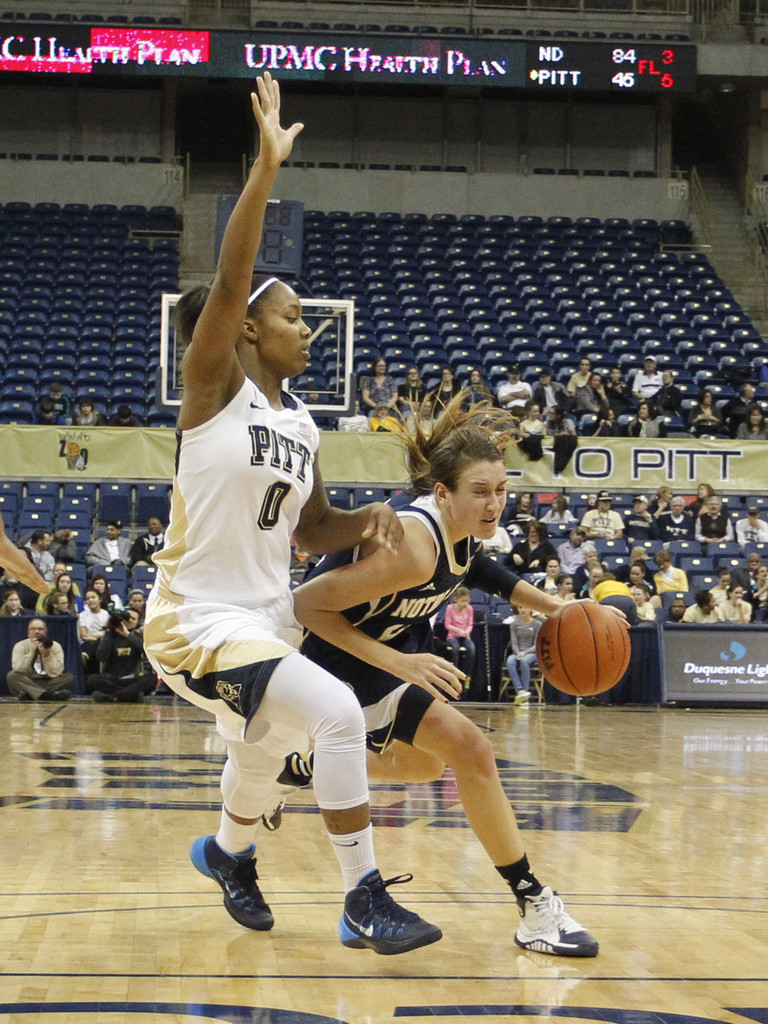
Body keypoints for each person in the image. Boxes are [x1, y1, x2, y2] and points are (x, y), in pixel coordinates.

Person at [142, 75, 440, 955]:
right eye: (292, 318)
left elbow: (311, 531)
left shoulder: (303, 422)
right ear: (244, 332)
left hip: (264, 613)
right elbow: (232, 277)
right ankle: (363, 899)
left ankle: (230, 856)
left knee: (265, 751)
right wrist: (265, 172)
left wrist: (370, 522)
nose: (307, 331)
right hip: (196, 619)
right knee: (339, 715)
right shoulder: (210, 390)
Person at [294, 393, 599, 958]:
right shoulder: (412, 544)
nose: (495, 504)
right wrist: (402, 663)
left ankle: (303, 765)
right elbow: (305, 608)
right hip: (324, 657)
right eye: (480, 492)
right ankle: (533, 903)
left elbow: (485, 572)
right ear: (442, 494)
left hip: (371, 656)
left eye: (502, 491)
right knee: (471, 750)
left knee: (424, 764)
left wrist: (565, 611)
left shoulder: (458, 534)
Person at [85, 608, 157, 703]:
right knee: (92, 680)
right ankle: (130, 695)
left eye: (133, 619)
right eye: (127, 617)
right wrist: (109, 630)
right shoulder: (110, 636)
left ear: (138, 622)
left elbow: (146, 651)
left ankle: (114, 697)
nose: (129, 620)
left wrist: (128, 635)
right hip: (112, 679)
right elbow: (101, 657)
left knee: (151, 679)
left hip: (132, 679)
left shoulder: (138, 636)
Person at [6, 617, 74, 701]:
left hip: (48, 680)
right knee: (12, 676)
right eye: (33, 629)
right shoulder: (20, 645)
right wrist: (31, 652)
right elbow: (18, 669)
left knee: (68, 677)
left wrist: (47, 655)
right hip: (28, 680)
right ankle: (48, 695)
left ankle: (31, 695)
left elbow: (57, 671)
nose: (37, 631)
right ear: (28, 633)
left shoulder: (55, 646)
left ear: (45, 632)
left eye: (40, 629)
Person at [505, 606, 541, 705]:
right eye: (520, 607)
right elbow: (514, 643)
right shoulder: (514, 624)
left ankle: (525, 691)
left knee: (525, 661)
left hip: (531, 653)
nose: (522, 610)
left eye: (525, 607)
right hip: (518, 652)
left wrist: (525, 653)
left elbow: (536, 645)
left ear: (530, 609)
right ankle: (520, 690)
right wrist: (518, 653)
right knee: (510, 661)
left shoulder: (537, 624)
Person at [443, 587, 475, 686]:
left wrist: (466, 632)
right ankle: (454, 675)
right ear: (455, 599)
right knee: (455, 649)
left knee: (471, 648)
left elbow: (470, 624)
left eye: (467, 601)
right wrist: (459, 631)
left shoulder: (469, 609)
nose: (465, 604)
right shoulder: (450, 608)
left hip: (465, 636)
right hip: (453, 636)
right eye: (462, 601)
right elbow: (447, 625)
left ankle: (467, 676)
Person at [78, 587, 110, 672]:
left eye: (93, 597)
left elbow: (107, 632)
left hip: (104, 641)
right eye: (88, 599)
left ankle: (86, 655)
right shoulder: (83, 615)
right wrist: (98, 637)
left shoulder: (105, 614)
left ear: (100, 599)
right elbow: (84, 635)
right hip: (88, 642)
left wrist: (95, 636)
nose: (90, 600)